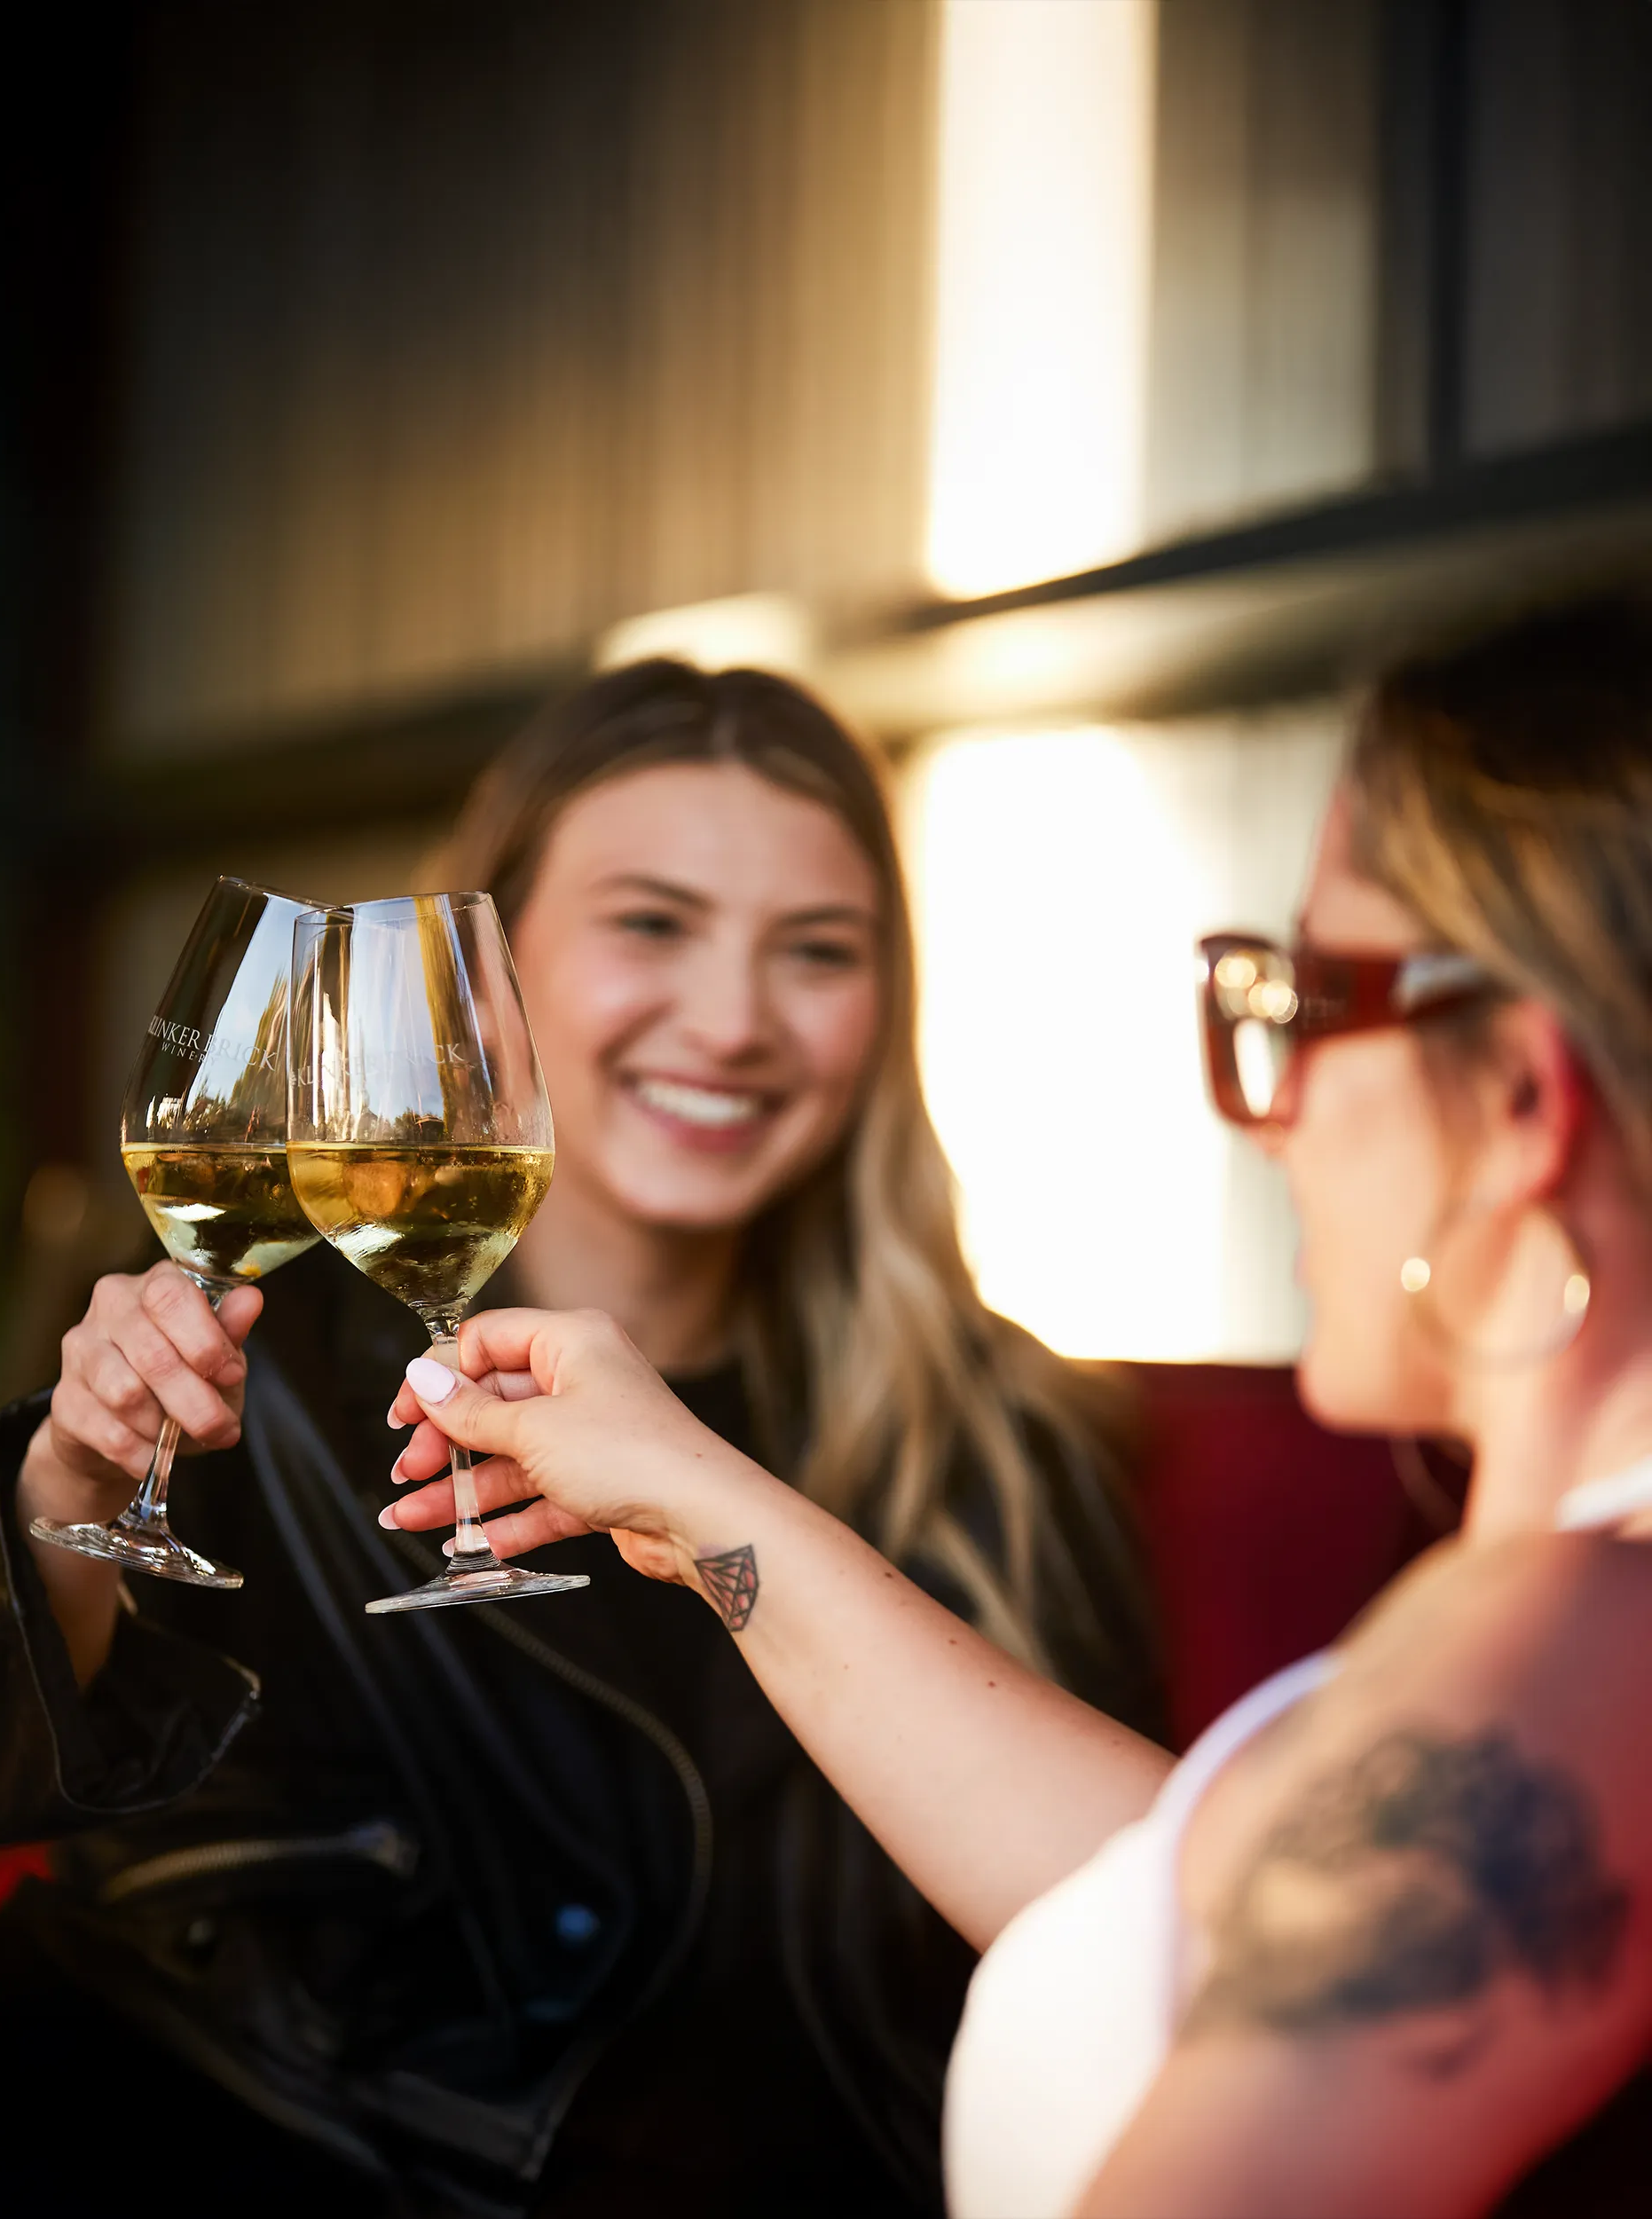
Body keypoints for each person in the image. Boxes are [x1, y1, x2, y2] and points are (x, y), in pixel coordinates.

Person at [377, 596, 1652, 2216]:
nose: (1267, 1119)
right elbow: (1158, 1907)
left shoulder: (1566, 1652)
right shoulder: (1556, 1627)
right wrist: (702, 1502)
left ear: (1523, 1098)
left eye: (1307, 1007)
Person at [0, 660, 1159, 2217]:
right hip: (189, 2129)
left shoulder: (1000, 1438)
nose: (733, 1021)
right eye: (653, 925)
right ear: (482, 974)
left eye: (818, 950)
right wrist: (72, 1477)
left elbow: (1118, 1942)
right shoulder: (265, 1342)